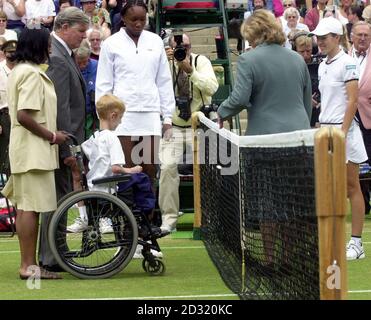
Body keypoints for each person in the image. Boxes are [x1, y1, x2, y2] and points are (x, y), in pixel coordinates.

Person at [217, 10, 312, 268]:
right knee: (292, 201)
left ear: (254, 33)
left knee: (267, 202)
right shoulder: (297, 59)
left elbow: (238, 99)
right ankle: (289, 259)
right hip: (298, 141)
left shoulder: (249, 60)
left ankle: (271, 261)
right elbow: (306, 105)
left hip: (264, 143)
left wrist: (220, 112)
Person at [1, 25, 69, 280]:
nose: (50, 49)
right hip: (32, 153)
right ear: (38, 47)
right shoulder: (30, 74)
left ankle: (28, 265)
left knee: (27, 208)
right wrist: (53, 136)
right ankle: (28, 267)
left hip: (28, 151)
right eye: (47, 44)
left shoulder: (20, 71)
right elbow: (24, 115)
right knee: (30, 208)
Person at [96, 0, 175, 189]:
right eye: (133, 20)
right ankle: (129, 215)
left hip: (150, 115)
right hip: (122, 118)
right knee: (127, 167)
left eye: (142, 19)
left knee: (149, 168)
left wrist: (168, 118)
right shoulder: (111, 44)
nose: (138, 23)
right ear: (123, 19)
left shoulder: (155, 41)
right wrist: (104, 119)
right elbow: (104, 84)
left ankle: (150, 215)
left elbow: (164, 81)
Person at [309, 16, 367, 260]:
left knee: (351, 186)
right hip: (326, 132)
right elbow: (332, 101)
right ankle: (334, 238)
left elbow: (353, 101)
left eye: (324, 38)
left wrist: (341, 133)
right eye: (319, 38)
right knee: (330, 189)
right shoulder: (323, 65)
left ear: (336, 38)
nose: (320, 41)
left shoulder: (349, 63)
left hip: (345, 133)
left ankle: (356, 244)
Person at [38, 7, 90, 272]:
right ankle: (51, 255)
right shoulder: (58, 57)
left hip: (65, 138)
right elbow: (59, 108)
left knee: (59, 197)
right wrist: (67, 148)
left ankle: (55, 251)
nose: (83, 38)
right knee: (57, 199)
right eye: (80, 32)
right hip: (62, 141)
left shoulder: (62, 54)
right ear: (65, 27)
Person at [158, 33, 218, 233]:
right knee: (167, 168)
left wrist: (191, 71)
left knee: (208, 169)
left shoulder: (201, 61)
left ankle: (210, 217)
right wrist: (165, 60)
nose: (184, 50)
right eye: (179, 47)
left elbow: (212, 88)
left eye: (187, 46)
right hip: (172, 126)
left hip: (198, 124)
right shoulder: (165, 64)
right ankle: (168, 220)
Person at [66, 94, 143, 233]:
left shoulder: (94, 137)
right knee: (139, 182)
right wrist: (131, 170)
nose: (120, 123)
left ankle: (84, 217)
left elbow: (84, 155)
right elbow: (115, 168)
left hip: (91, 186)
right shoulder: (112, 138)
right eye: (120, 118)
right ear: (113, 116)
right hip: (107, 190)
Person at [349, 21, 371, 216]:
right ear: (351, 37)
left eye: (366, 35)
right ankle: (364, 203)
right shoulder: (342, 57)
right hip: (349, 120)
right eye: (359, 35)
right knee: (355, 165)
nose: (363, 38)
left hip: (369, 118)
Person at [74, 39, 99, 139]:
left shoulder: (96, 65)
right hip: (76, 116)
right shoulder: (69, 66)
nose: (83, 66)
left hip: (93, 115)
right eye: (79, 63)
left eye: (86, 62)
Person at [0, 39, 16, 169]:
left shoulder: (23, 68)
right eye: (10, 52)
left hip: (20, 113)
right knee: (4, 150)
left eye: (15, 52)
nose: (13, 54)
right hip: (4, 115)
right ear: (4, 53)